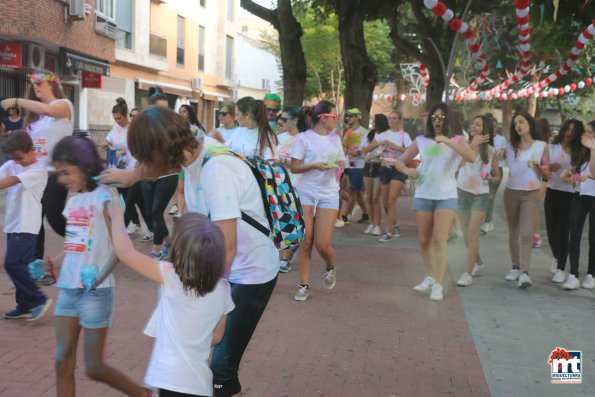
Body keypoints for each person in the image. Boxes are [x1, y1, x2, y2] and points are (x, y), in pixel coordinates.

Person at [97, 106, 279, 397]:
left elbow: (228, 247)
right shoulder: (190, 149)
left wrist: (196, 295)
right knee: (211, 358)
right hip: (217, 270)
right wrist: (132, 176)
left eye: (145, 159)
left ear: (164, 154)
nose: (144, 166)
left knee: (220, 368)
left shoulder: (218, 171)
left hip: (249, 272)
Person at [30, 135, 146, 396]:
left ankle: (143, 394)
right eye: (58, 174)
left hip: (96, 293)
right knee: (62, 361)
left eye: (66, 172)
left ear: (84, 166)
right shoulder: (72, 202)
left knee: (94, 367)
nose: (62, 180)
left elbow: (121, 250)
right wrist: (49, 264)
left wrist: (98, 277)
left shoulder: (107, 198)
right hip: (69, 291)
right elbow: (74, 248)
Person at [108, 204, 234, 396]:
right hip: (200, 385)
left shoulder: (171, 276)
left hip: (168, 380)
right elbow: (216, 337)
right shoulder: (224, 289)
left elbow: (125, 252)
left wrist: (116, 216)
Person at [394, 103, 484, 301]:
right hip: (424, 194)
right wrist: (407, 170)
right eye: (434, 117)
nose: (437, 121)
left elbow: (470, 156)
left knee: (439, 239)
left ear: (448, 120)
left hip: (446, 195)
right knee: (424, 241)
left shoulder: (459, 139)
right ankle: (430, 275)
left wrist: (446, 141)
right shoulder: (421, 140)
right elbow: (400, 161)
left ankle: (438, 283)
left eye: (441, 118)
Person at [1, 71, 74, 284]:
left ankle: (85, 237)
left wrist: (16, 101)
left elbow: (49, 109)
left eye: (40, 83)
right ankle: (37, 266)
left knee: (54, 216)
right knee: (35, 220)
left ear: (53, 84)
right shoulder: (34, 118)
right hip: (36, 173)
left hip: (56, 173)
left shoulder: (64, 105)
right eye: (33, 84)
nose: (36, 87)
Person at [290, 101, 346, 301]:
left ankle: (330, 265)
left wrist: (339, 165)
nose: (336, 121)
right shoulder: (303, 139)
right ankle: (303, 285)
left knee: (322, 244)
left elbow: (341, 164)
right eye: (334, 117)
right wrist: (314, 165)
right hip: (306, 192)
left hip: (329, 193)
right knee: (306, 241)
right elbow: (294, 167)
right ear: (323, 118)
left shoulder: (335, 139)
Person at [1, 131, 52, 321]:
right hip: (13, 224)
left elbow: (12, 181)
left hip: (27, 225)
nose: (17, 162)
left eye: (20, 158)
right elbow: (4, 174)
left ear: (32, 150)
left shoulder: (39, 169)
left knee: (12, 263)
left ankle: (38, 299)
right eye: (14, 159)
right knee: (20, 265)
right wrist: (14, 162)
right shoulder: (12, 164)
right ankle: (23, 305)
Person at [502, 112, 549, 288]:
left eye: (521, 122)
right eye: (515, 124)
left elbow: (547, 174)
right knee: (513, 229)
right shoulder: (510, 146)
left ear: (530, 123)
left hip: (531, 193)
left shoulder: (541, 146)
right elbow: (498, 161)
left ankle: (525, 272)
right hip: (511, 192)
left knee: (526, 233)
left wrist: (538, 167)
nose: (518, 126)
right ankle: (514, 266)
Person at [454, 115, 500, 287]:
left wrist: (490, 178)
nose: (473, 126)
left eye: (478, 125)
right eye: (473, 123)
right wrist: (473, 144)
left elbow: (497, 176)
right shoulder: (463, 143)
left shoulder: (491, 151)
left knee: (472, 233)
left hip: (480, 195)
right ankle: (478, 262)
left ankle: (468, 272)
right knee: (466, 236)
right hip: (462, 192)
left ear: (485, 129)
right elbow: (460, 164)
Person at [368, 110, 412, 242]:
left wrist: (395, 146)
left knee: (392, 200)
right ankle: (395, 224)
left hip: (398, 169)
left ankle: (388, 232)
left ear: (399, 120)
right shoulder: (383, 135)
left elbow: (411, 151)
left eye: (394, 119)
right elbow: (368, 148)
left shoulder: (404, 135)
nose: (391, 121)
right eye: (389, 119)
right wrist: (377, 146)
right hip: (384, 168)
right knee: (385, 202)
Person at [548, 119, 583, 282]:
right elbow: (542, 165)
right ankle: (556, 256)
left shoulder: (579, 152)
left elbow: (580, 174)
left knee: (563, 231)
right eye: (568, 129)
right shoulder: (551, 146)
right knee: (551, 232)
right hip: (552, 191)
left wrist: (573, 177)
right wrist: (549, 167)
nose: (569, 133)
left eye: (573, 130)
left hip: (569, 194)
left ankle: (561, 268)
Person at [562, 120, 595, 290]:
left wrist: (593, 147)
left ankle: (591, 274)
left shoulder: (592, 150)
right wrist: (569, 176)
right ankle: (573, 274)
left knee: (593, 237)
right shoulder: (583, 152)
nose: (585, 134)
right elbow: (577, 174)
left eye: (589, 132)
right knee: (573, 234)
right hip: (580, 196)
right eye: (586, 131)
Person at [277, 106, 307, 273]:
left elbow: (305, 163)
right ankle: (287, 252)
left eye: (285, 118)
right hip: (280, 183)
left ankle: (285, 257)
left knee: (292, 219)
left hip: (299, 184)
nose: (281, 121)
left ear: (295, 120)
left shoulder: (305, 139)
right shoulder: (280, 138)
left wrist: (289, 163)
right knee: (283, 219)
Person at [170, 104, 207, 219]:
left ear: (190, 112)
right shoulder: (178, 128)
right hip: (183, 164)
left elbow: (201, 145)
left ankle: (197, 211)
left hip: (195, 164)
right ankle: (180, 212)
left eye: (184, 111)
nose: (182, 114)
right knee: (181, 187)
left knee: (194, 187)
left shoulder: (198, 128)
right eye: (180, 112)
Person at [226, 96, 278, 160]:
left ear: (247, 115)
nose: (235, 118)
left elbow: (273, 163)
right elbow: (226, 148)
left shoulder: (266, 135)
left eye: (237, 115)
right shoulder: (239, 130)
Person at [361, 114, 388, 236]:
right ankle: (371, 223)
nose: (372, 123)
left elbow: (387, 150)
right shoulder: (370, 134)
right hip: (368, 165)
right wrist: (366, 154)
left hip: (379, 166)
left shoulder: (386, 134)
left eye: (374, 121)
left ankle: (377, 225)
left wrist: (374, 150)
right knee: (369, 197)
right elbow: (363, 150)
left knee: (376, 197)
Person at [342, 108, 369, 225]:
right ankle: (366, 214)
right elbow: (344, 148)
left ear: (358, 117)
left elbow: (367, 149)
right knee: (356, 192)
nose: (349, 118)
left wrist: (357, 153)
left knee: (353, 190)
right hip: (349, 164)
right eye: (348, 116)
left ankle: (344, 216)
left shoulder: (365, 132)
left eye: (351, 116)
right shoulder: (347, 132)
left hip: (360, 165)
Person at [482, 114, 506, 234]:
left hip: (497, 168)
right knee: (483, 195)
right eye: (492, 127)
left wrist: (501, 153)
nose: (494, 129)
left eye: (496, 127)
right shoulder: (483, 137)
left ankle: (488, 221)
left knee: (490, 196)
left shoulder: (501, 140)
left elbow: (504, 154)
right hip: (484, 169)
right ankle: (485, 219)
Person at [531, 117, 552, 248]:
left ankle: (536, 235)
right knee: (533, 206)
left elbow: (546, 168)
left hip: (543, 179)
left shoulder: (544, 146)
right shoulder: (536, 144)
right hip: (537, 179)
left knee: (534, 205)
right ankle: (533, 234)